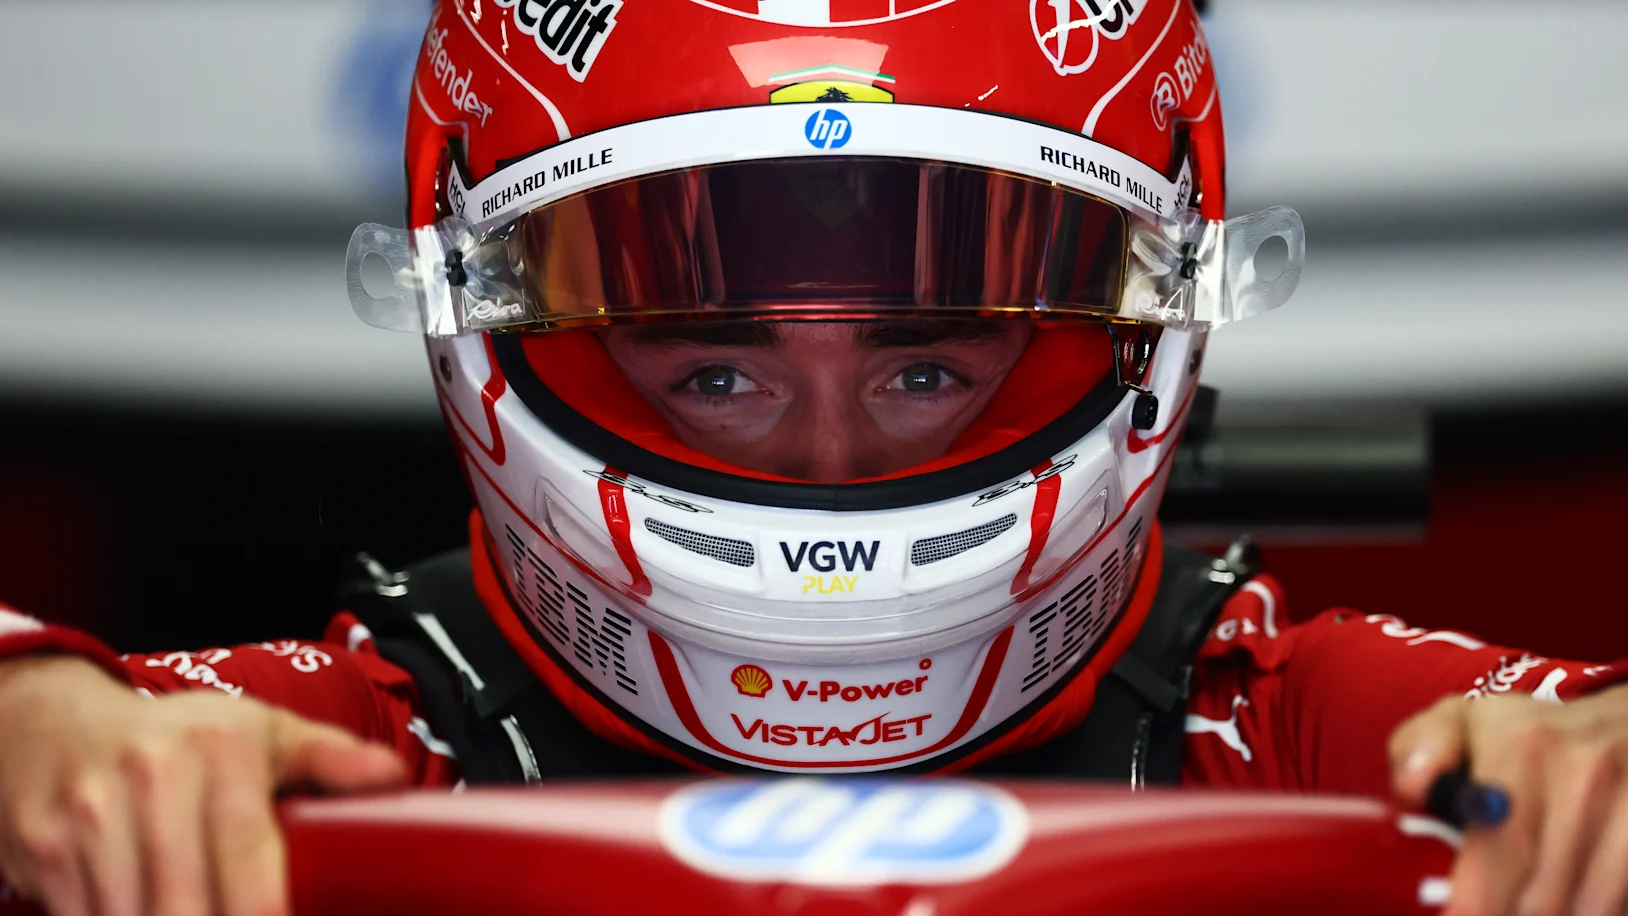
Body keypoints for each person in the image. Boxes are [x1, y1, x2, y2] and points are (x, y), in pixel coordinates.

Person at [1, 2, 1625, 915]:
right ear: (471, 315)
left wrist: (1596, 763)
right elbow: (79, 744)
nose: (830, 458)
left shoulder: (1299, 730)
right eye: (716, 368)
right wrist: (44, 720)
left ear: (1160, 323)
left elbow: (1582, 741)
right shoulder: (342, 748)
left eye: (930, 366)